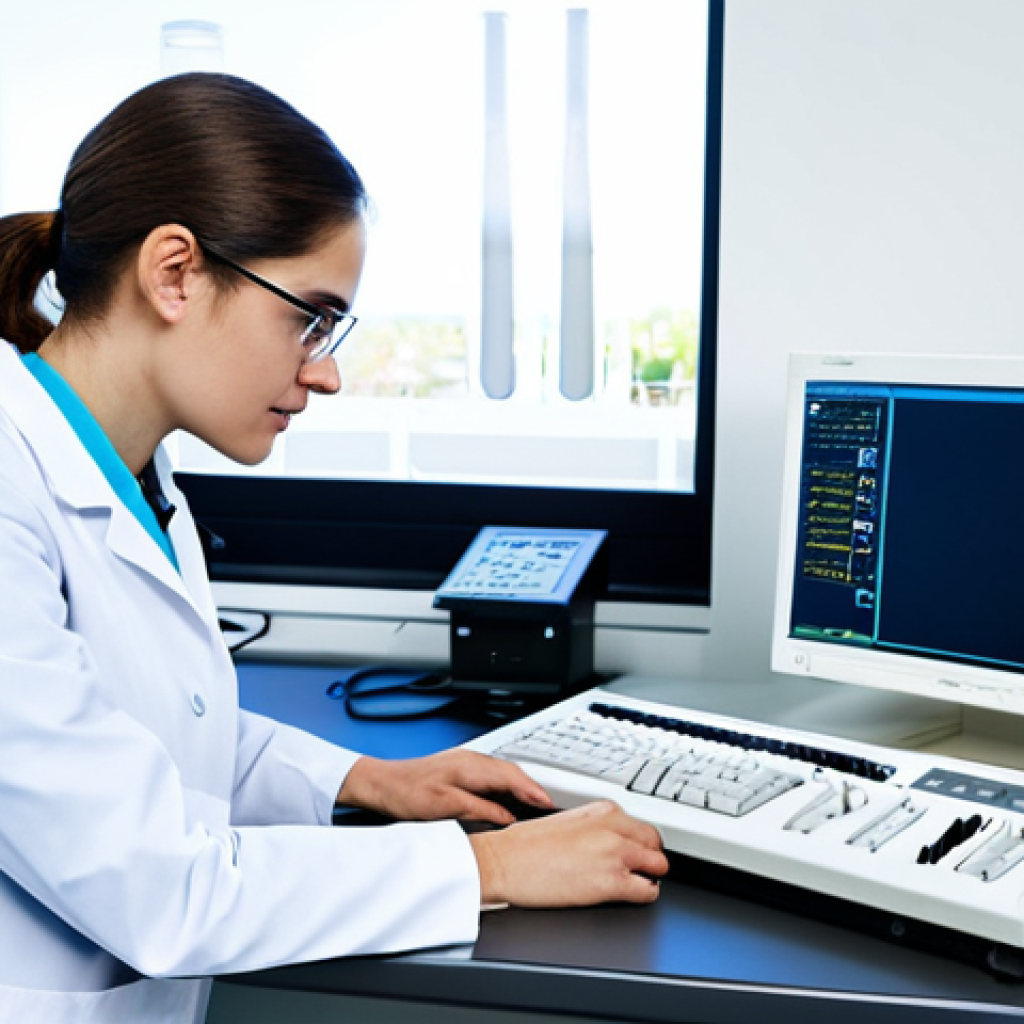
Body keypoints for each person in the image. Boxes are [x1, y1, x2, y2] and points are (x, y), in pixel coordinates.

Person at [0, 73, 667, 1024]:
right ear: (175, 273)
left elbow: (154, 733)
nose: (327, 372)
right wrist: (486, 866)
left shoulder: (135, 478)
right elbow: (161, 890)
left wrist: (365, 780)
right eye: (307, 317)